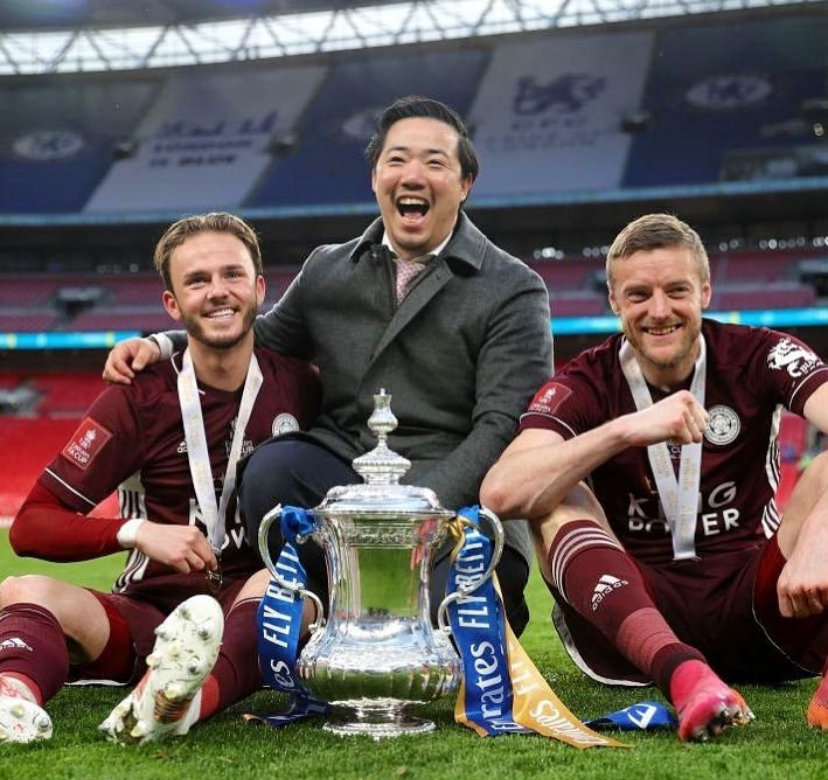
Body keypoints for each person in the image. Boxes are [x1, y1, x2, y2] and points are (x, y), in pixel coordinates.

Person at [103, 96, 553, 635]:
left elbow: (503, 429)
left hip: (454, 503)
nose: (413, 174)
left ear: (465, 184)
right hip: (346, 482)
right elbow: (260, 340)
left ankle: (377, 606)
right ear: (374, 178)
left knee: (456, 623)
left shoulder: (514, 288)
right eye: (397, 159)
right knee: (272, 467)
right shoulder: (328, 268)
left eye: (435, 163)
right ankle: (326, 605)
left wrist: (407, 516)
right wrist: (164, 343)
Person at [481, 213, 828, 742]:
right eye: (639, 294)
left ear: (706, 290)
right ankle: (685, 678)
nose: (659, 310)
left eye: (677, 290)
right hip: (636, 618)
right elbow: (502, 492)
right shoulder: (586, 381)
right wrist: (622, 430)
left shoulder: (760, 354)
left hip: (762, 604)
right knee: (551, 495)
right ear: (615, 302)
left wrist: (821, 537)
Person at [0, 213, 320, 744]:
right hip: (147, 615)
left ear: (260, 289)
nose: (218, 292)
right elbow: (31, 525)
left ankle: (177, 705)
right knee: (24, 589)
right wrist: (136, 532)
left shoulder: (303, 386)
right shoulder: (138, 395)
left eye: (232, 275)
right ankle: (12, 699)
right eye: (197, 281)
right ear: (172, 304)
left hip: (251, 608)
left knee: (284, 584)